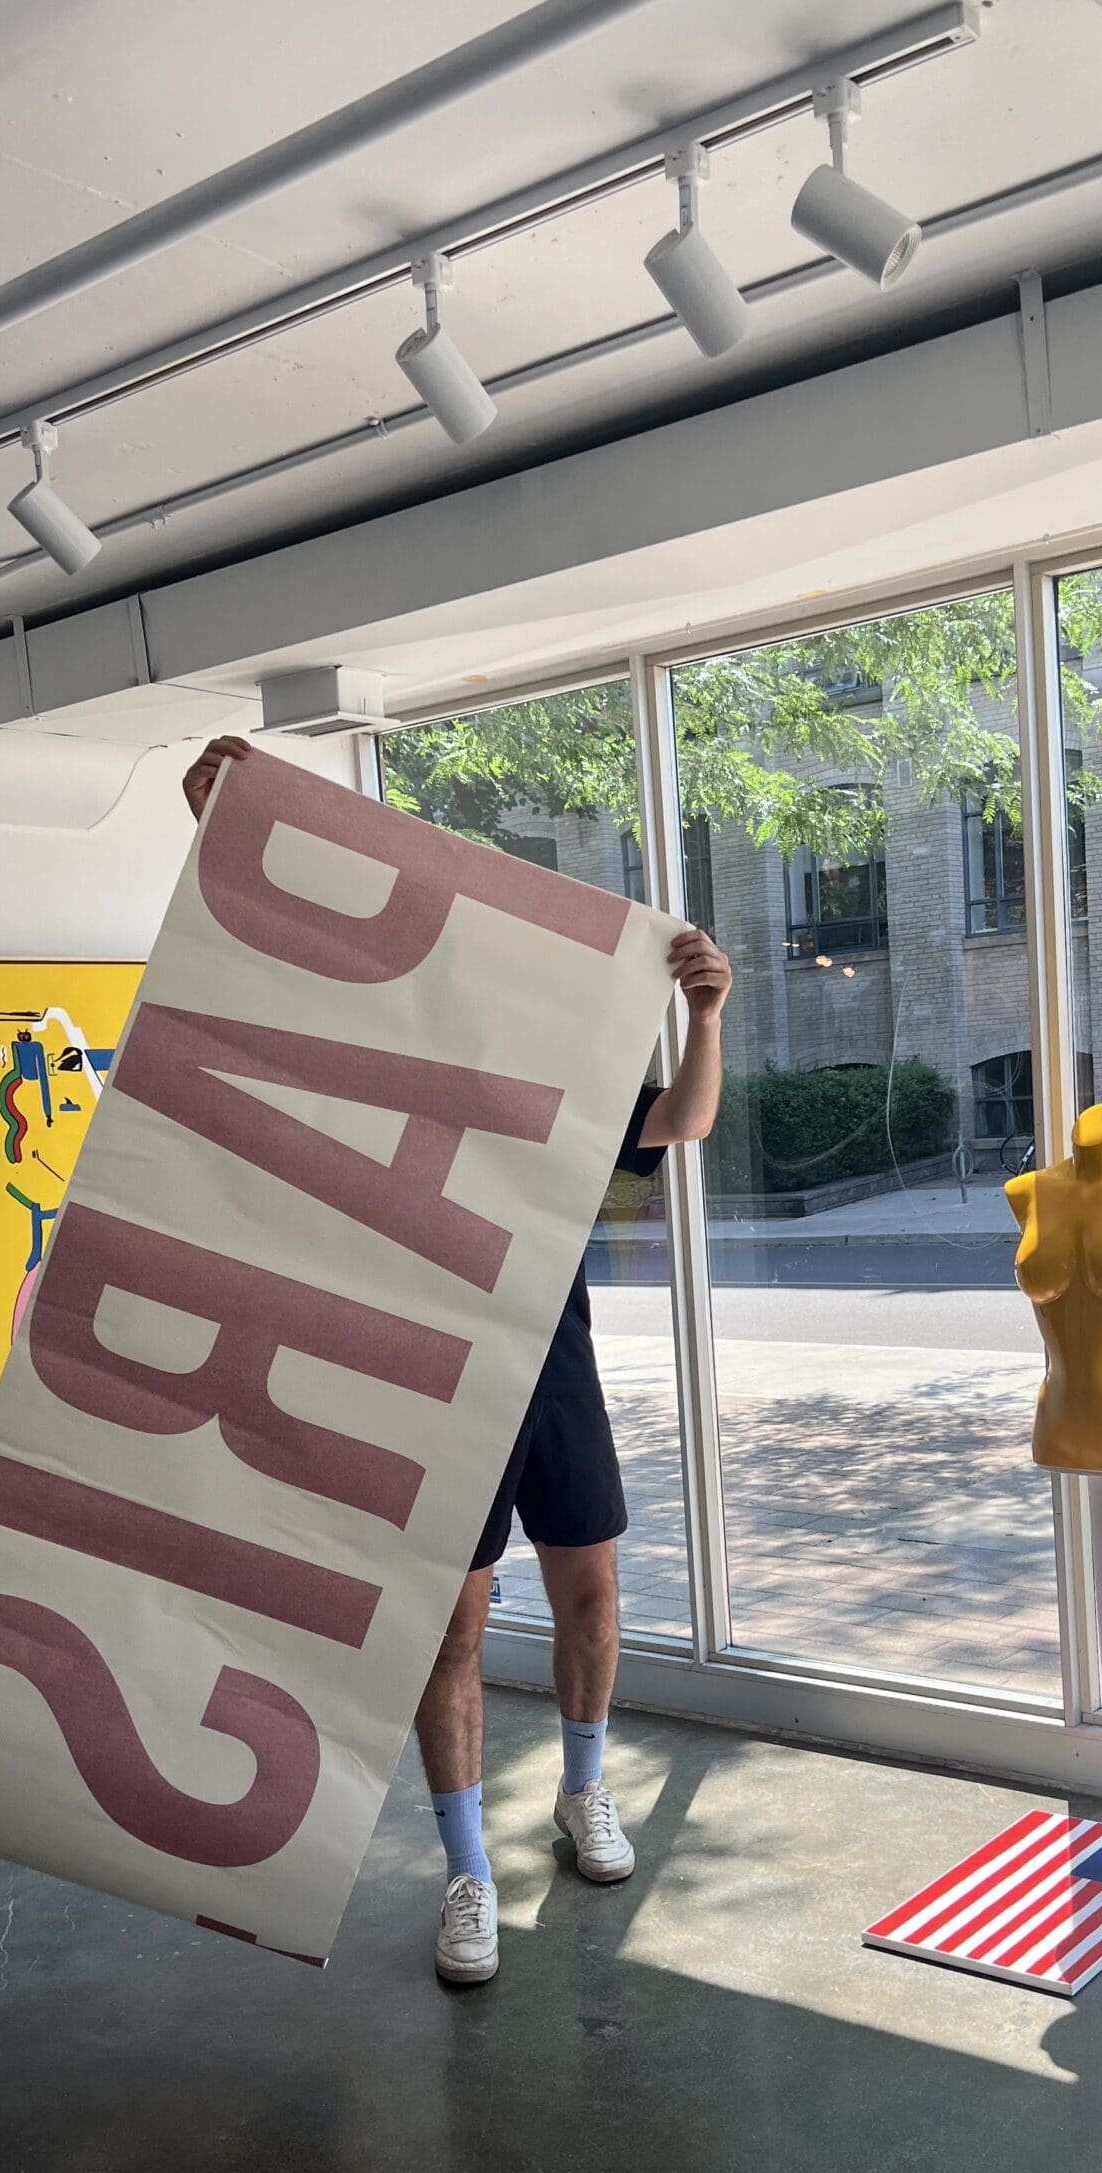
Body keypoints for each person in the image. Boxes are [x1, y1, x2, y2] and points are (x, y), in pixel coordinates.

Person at [182, 737, 733, 1985]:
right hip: (430, 1380)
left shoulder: (562, 1091)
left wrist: (705, 1012)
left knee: (593, 1595)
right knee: (452, 1635)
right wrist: (224, 839)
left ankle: (583, 1793)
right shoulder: (385, 1074)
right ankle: (468, 1870)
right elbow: (287, 996)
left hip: (553, 1375)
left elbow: (684, 1118)